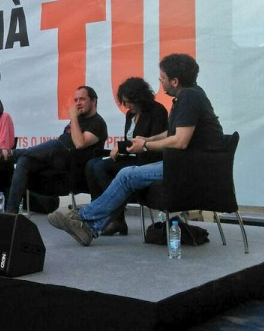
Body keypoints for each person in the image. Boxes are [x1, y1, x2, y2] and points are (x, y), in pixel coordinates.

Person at [48, 54, 223, 246]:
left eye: (162, 78)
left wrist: (145, 145)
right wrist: (148, 139)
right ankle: (89, 227)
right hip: (187, 163)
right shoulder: (191, 95)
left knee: (126, 175)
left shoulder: (189, 97)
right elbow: (173, 133)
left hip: (191, 167)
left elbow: (180, 141)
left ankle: (82, 219)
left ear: (175, 81)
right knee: (114, 170)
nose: (161, 82)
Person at [0, 86, 108, 214]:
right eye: (76, 100)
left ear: (93, 101)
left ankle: (13, 154)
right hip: (57, 164)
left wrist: (73, 118)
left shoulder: (98, 123)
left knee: (55, 144)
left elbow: (79, 144)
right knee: (25, 160)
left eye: (82, 99)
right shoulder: (77, 119)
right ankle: (11, 213)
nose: (78, 103)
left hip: (75, 168)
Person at [85, 77, 167, 236]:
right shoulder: (130, 115)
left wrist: (122, 146)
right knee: (91, 164)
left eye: (129, 101)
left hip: (148, 159)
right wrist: (121, 148)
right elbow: (130, 142)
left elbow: (151, 142)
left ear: (139, 98)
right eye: (124, 102)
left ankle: (114, 220)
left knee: (101, 167)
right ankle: (106, 215)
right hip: (133, 156)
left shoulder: (157, 111)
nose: (127, 105)